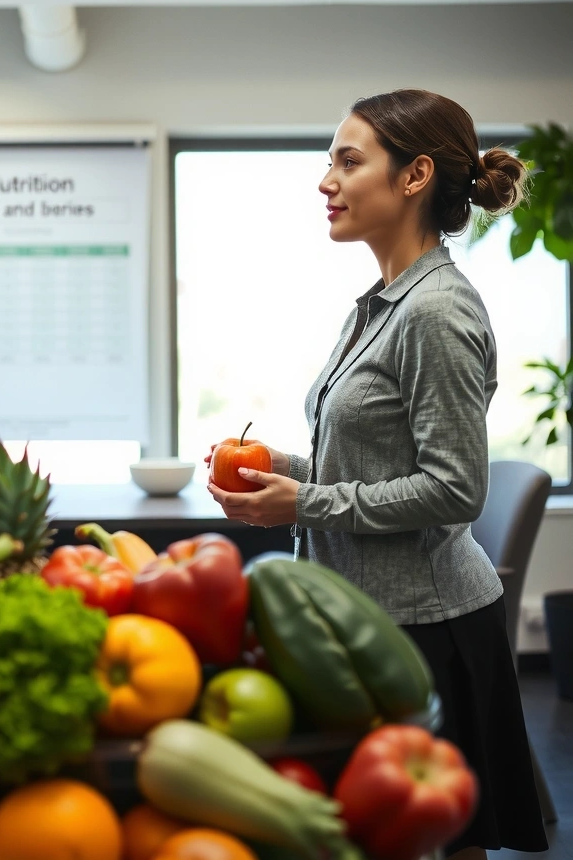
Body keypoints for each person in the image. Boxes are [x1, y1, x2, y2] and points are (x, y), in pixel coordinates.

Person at [208, 89, 548, 858]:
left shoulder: (436, 314)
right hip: (370, 618)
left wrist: (310, 499)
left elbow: (455, 489)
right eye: (328, 161)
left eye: (348, 160)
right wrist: (277, 474)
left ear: (414, 175)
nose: (326, 180)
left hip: (426, 630)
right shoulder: (381, 305)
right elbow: (368, 463)